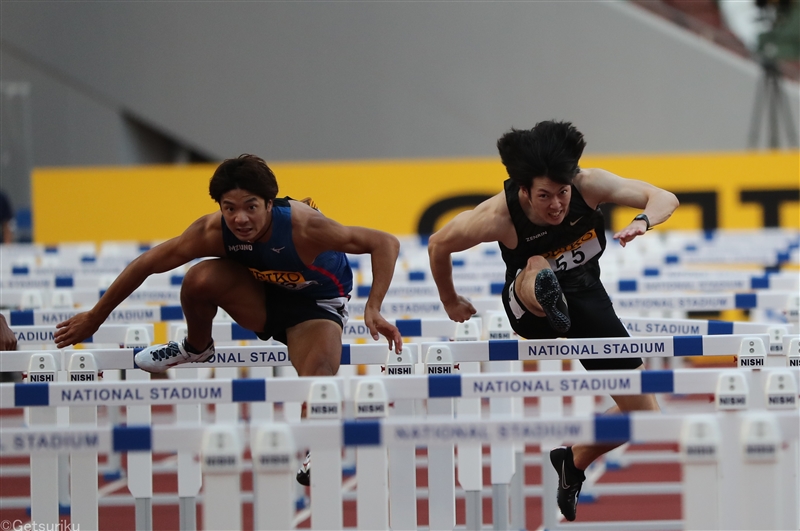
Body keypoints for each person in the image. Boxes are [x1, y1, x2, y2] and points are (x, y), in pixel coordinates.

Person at [53, 154, 404, 483]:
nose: (240, 219)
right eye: (229, 208)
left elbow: (384, 242)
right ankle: (196, 347)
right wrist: (95, 318)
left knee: (319, 375)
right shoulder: (212, 230)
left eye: (251, 207)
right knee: (198, 279)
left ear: (270, 203)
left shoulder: (306, 227)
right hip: (258, 294)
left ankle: (317, 446)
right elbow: (147, 263)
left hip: (316, 304)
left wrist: (373, 306)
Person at [427, 120, 679, 521]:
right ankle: (544, 288)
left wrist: (643, 221)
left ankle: (573, 460)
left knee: (645, 416)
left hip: (585, 297)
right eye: (544, 196)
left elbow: (663, 197)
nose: (557, 205)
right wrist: (449, 299)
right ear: (524, 190)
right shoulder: (498, 215)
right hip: (528, 307)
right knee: (537, 266)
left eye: (562, 194)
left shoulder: (589, 184)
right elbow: (439, 244)